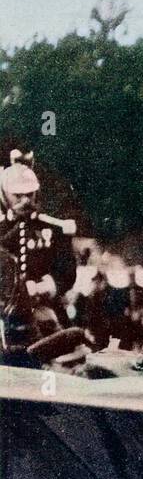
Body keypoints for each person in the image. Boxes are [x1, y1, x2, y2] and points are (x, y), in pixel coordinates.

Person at [0, 150, 78, 355]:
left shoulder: (54, 229)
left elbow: (67, 271)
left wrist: (43, 288)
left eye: (30, 193)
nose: (25, 200)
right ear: (4, 194)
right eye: (18, 195)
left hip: (43, 312)